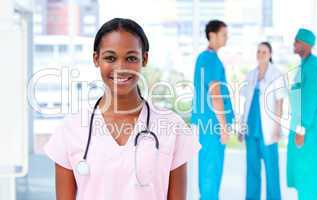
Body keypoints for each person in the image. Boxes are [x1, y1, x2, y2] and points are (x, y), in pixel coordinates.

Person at [44, 18, 200, 200]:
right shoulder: (70, 129)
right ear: (96, 59)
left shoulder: (172, 126)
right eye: (110, 58)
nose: (121, 68)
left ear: (145, 59)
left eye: (131, 58)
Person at [191, 20, 234, 200]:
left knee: (209, 174)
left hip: (208, 125)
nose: (227, 37)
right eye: (224, 34)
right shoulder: (210, 59)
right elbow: (215, 94)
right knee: (211, 174)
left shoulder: (205, 58)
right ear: (212, 35)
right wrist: (224, 127)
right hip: (214, 125)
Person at [240, 42, 288, 200]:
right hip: (251, 130)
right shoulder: (251, 74)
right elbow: (245, 103)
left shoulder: (276, 74)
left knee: (271, 170)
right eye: (258, 51)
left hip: (268, 131)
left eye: (264, 52)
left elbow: (280, 102)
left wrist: (277, 127)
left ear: (270, 54)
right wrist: (242, 127)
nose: (261, 54)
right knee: (252, 170)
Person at [287, 28, 317, 200]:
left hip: (308, 132)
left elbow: (309, 101)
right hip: (302, 128)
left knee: (308, 178)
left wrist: (301, 129)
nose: (294, 44)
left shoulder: (312, 67)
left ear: (307, 44)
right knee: (302, 178)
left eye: (297, 41)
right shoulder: (304, 65)